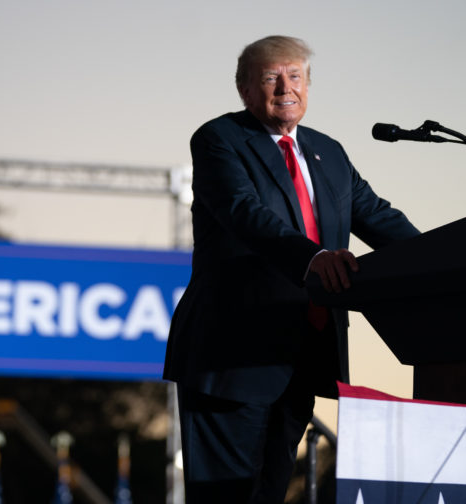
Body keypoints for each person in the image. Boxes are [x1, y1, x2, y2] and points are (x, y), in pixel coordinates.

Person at [162, 35, 419, 503]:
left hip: (303, 356)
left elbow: (377, 216)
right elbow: (245, 214)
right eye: (270, 78)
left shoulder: (328, 151)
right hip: (231, 356)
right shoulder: (220, 139)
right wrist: (313, 259)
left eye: (295, 76)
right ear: (244, 89)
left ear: (308, 84)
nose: (286, 88)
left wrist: (440, 258)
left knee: (272, 492)